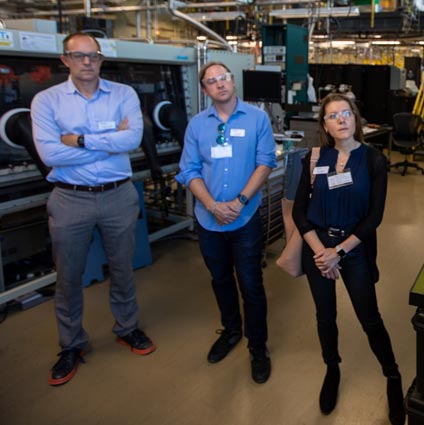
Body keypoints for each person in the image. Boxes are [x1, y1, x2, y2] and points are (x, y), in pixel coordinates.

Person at [30, 32, 155, 387]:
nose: (87, 62)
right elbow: (51, 154)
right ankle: (71, 345)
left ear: (101, 59)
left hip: (118, 195)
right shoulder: (46, 100)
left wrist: (79, 139)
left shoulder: (123, 94)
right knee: (68, 276)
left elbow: (131, 141)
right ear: (65, 60)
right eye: (78, 56)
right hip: (70, 198)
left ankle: (127, 328)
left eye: (93, 56)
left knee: (123, 268)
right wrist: (108, 143)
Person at [292, 93, 405, 424]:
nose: (340, 119)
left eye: (345, 113)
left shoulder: (373, 160)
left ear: (355, 118)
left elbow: (374, 218)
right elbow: (300, 211)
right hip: (317, 249)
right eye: (332, 115)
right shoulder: (313, 159)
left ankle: (393, 376)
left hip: (352, 250)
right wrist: (320, 251)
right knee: (325, 316)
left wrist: (338, 252)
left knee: (369, 317)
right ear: (324, 124)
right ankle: (332, 368)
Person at [176, 61, 276, 384]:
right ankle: (232, 331)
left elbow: (265, 163)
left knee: (251, 284)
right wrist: (212, 205)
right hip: (209, 222)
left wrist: (239, 202)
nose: (219, 84)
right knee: (220, 280)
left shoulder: (257, 119)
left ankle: (257, 347)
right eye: (212, 81)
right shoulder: (196, 125)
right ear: (205, 90)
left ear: (233, 82)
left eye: (224, 78)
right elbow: (189, 170)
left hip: (244, 219)